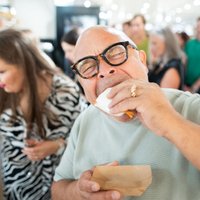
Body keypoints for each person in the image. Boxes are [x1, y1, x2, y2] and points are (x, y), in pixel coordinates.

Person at [52, 26, 200, 200]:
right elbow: (57, 189)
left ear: (142, 61)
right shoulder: (85, 121)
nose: (105, 71)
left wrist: (169, 122)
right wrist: (78, 191)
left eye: (116, 53)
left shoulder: (190, 107)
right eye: (87, 66)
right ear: (81, 84)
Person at [0, 29, 86, 200]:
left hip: (58, 187)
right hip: (15, 188)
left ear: (24, 64)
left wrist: (57, 146)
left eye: (2, 72)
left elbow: (88, 138)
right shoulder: (5, 92)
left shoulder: (64, 92)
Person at [184, 17, 200, 93]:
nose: (198, 29)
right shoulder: (190, 43)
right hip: (186, 84)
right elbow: (184, 62)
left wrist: (196, 86)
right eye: (197, 27)